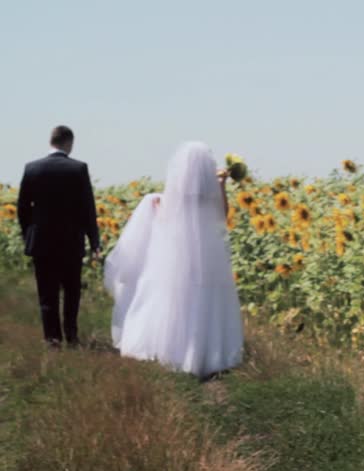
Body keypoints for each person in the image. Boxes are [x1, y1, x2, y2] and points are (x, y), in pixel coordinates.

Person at [104, 141, 242, 377]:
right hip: (208, 256)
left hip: (177, 257)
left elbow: (165, 220)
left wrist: (155, 204)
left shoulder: (173, 195)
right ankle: (207, 350)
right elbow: (222, 215)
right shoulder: (212, 192)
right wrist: (222, 184)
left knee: (173, 299)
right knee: (206, 298)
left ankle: (173, 348)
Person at [17, 126, 100, 348]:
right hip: (71, 241)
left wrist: (29, 235)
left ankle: (52, 338)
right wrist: (95, 242)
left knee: (47, 292)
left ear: (51, 141)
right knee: (72, 291)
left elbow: (22, 208)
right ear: (69, 143)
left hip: (42, 242)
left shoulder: (32, 168)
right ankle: (71, 335)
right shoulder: (78, 169)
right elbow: (87, 209)